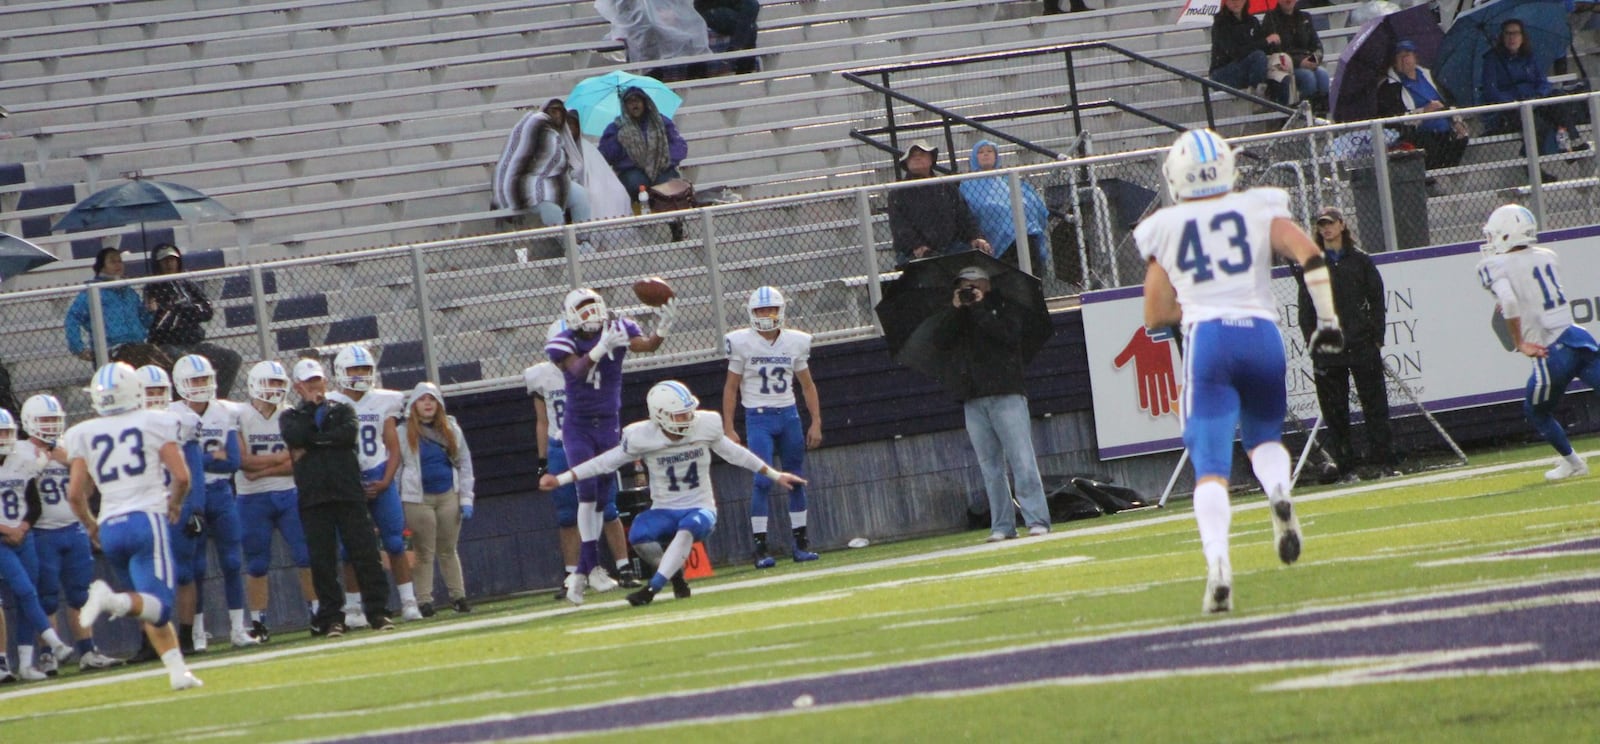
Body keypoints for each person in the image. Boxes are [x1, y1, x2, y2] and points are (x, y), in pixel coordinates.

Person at [1135, 128, 1344, 614]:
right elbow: (1308, 253)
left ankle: (1219, 564)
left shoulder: (1165, 226)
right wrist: (1328, 319)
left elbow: (1154, 312)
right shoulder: (1258, 206)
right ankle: (1278, 490)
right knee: (1265, 438)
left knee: (1210, 465)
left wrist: (1185, 304)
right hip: (1260, 333)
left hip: (1209, 338)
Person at [539, 380, 806, 607]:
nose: (688, 419)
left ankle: (652, 588)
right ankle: (676, 574)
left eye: (689, 412)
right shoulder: (641, 436)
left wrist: (775, 474)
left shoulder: (706, 424)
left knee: (689, 526)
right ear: (660, 415)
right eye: (679, 415)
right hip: (664, 508)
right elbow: (604, 462)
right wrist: (562, 478)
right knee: (639, 536)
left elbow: (737, 454)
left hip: (700, 507)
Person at [68, 362, 203, 690]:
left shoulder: (81, 432)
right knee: (160, 605)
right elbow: (182, 476)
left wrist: (90, 525)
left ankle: (177, 672)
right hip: (146, 520)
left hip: (110, 526)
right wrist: (174, 503)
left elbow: (74, 493)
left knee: (145, 605)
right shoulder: (155, 421)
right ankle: (109, 600)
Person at [545, 288, 670, 605]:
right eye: (583, 308)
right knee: (586, 492)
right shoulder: (563, 337)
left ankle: (583, 572)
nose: (590, 313)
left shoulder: (619, 327)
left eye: (593, 306)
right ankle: (590, 568)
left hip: (609, 422)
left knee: (603, 496)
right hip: (579, 425)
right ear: (571, 314)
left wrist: (662, 330)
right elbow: (576, 370)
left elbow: (646, 346)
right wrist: (600, 349)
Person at [1475, 204, 1600, 481]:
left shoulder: (1492, 265)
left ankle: (1574, 463)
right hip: (1578, 337)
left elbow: (1509, 300)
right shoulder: (1547, 256)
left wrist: (1519, 342)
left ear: (1506, 235)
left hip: (1550, 350)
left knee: (1536, 411)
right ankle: (1572, 464)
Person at [930, 265, 1053, 543]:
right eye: (963, 285)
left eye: (972, 284)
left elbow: (1007, 337)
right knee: (990, 466)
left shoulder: (1005, 307)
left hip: (1006, 392)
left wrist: (980, 308)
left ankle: (1037, 519)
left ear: (985, 284)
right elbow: (940, 342)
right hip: (973, 398)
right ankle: (1001, 524)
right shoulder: (958, 314)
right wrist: (956, 310)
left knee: (1022, 458)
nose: (968, 290)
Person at [524, 320, 640, 600]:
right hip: (560, 444)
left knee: (606, 505)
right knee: (567, 514)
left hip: (592, 437)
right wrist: (542, 458)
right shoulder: (541, 375)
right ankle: (573, 572)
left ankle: (622, 567)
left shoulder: (593, 365)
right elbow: (542, 420)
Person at [279, 358, 393, 637]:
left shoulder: (343, 410)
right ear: (298, 386)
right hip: (314, 496)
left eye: (317, 380)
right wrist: (312, 416)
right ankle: (332, 617)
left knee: (365, 552)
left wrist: (314, 442)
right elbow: (296, 435)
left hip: (347, 491)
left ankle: (378, 611)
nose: (314, 386)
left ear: (325, 381)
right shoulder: (291, 415)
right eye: (308, 383)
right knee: (323, 560)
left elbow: (346, 435)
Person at [721, 287, 823, 568]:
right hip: (759, 417)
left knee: (796, 478)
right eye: (760, 311)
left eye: (770, 310)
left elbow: (807, 385)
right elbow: (731, 389)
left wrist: (816, 421)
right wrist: (729, 426)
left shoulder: (795, 342)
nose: (766, 315)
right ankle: (760, 547)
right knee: (762, 479)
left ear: (781, 311)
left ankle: (801, 544)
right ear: (751, 313)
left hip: (788, 415)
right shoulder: (741, 342)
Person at [21, 394, 124, 672]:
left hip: (74, 530)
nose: (51, 426)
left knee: (80, 594)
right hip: (43, 533)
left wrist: (67, 460)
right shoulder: (21, 451)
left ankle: (88, 652)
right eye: (45, 420)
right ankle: (47, 653)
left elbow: (90, 480)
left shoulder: (69, 447)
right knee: (47, 596)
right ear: (30, 422)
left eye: (55, 420)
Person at [1292, 207, 1396, 479]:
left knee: (1375, 405)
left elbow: (1377, 299)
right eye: (1321, 225)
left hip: (1361, 344)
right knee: (1335, 412)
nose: (1326, 229)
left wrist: (1376, 337)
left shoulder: (1361, 260)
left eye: (1330, 223)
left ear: (1341, 225)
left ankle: (1383, 463)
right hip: (1329, 349)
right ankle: (1347, 468)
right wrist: (1312, 340)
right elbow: (1305, 309)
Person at [326, 344, 419, 624]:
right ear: (340, 372)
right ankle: (353, 609)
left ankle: (408, 601)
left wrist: (386, 480)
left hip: (379, 475)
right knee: (348, 548)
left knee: (394, 541)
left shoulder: (383, 400)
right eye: (354, 369)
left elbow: (393, 447)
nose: (360, 374)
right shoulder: (331, 403)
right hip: (348, 481)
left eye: (365, 369)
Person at [169, 354, 253, 652]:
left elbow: (232, 462)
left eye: (204, 379)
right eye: (194, 380)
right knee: (195, 568)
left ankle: (238, 628)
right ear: (180, 383)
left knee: (232, 561)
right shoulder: (172, 414)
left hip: (220, 494)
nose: (201, 385)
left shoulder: (224, 412)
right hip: (191, 497)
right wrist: (208, 458)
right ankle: (198, 632)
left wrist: (198, 461)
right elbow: (177, 462)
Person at [235, 360, 315, 642]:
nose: (275, 389)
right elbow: (243, 461)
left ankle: (316, 612)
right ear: (255, 384)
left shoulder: (290, 413)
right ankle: (258, 622)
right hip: (251, 498)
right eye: (270, 382)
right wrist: (279, 459)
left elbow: (300, 460)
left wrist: (265, 468)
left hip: (289, 492)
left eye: (279, 383)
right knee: (256, 563)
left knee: (306, 555)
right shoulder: (240, 414)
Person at [0, 408, 80, 681]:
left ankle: (24, 664)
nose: (3, 438)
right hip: (2, 539)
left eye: (7, 432)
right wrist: (6, 529)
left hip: (23, 536)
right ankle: (55, 643)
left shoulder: (22, 458)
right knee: (24, 590)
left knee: (28, 595)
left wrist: (22, 527)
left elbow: (33, 502)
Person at [396, 382, 475, 616]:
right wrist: (396, 502)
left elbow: (465, 464)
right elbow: (397, 469)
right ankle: (424, 600)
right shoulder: (403, 432)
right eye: (422, 399)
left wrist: (466, 498)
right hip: (417, 499)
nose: (428, 403)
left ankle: (458, 596)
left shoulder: (452, 429)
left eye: (432, 399)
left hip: (448, 494)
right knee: (423, 551)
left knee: (448, 549)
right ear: (414, 405)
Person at [142, 244, 242, 399]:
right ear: (157, 264)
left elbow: (207, 311)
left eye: (172, 260)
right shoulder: (152, 288)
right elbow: (161, 324)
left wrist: (181, 309)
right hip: (167, 345)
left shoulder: (186, 284)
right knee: (183, 362)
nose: (169, 264)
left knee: (231, 358)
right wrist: (186, 310)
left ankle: (215, 400)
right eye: (164, 261)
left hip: (194, 342)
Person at [1481, 19, 1585, 156]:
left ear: (1522, 36)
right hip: (1512, 109)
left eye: (1516, 33)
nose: (1512, 38)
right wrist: (1512, 101)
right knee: (1538, 125)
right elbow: (1491, 90)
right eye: (1508, 34)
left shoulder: (1528, 57)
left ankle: (1575, 140)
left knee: (1557, 103)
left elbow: (1542, 81)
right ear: (1502, 37)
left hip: (1534, 101)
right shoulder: (1492, 59)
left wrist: (1539, 95)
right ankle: (1530, 162)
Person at [888, 140, 992, 268]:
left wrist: (976, 237)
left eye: (922, 154)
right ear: (906, 163)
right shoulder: (898, 192)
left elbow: (964, 216)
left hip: (951, 247)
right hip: (913, 252)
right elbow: (900, 227)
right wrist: (917, 246)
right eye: (913, 156)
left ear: (931, 159)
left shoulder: (946, 186)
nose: (917, 157)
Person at [492, 99, 593, 230]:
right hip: (526, 185)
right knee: (552, 209)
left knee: (581, 195)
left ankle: (583, 241)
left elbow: (560, 164)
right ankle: (568, 246)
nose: (557, 115)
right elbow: (516, 161)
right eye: (553, 111)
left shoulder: (560, 135)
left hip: (554, 181)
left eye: (560, 112)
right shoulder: (532, 127)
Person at [958, 140, 1050, 272]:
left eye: (990, 151)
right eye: (981, 152)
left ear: (996, 156)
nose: (986, 155)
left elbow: (1033, 204)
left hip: (1025, 237)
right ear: (974, 157)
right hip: (993, 244)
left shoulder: (1009, 180)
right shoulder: (968, 185)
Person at [1378, 40, 1470, 172]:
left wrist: (1457, 121)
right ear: (1394, 61)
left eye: (1408, 54)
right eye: (1400, 56)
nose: (1405, 59)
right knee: (1428, 144)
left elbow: (1450, 102)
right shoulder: (1389, 88)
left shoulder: (1429, 76)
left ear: (1415, 57)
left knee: (1462, 137)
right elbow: (1395, 120)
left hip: (1446, 132)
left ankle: (1447, 173)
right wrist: (1424, 112)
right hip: (1418, 136)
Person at [64, 248, 153, 364]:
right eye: (112, 261)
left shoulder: (129, 292)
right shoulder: (93, 292)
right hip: (111, 351)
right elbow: (72, 318)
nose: (118, 265)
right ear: (102, 266)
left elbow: (145, 322)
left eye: (119, 261)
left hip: (138, 346)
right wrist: (78, 348)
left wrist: (150, 311)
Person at [598, 87, 689, 198]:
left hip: (661, 168)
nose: (634, 104)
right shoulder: (616, 128)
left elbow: (679, 146)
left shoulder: (661, 122)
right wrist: (619, 140)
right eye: (630, 102)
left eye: (637, 100)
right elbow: (605, 155)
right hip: (632, 171)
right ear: (625, 106)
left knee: (667, 183)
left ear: (645, 103)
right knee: (635, 182)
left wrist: (665, 161)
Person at [1209, 0, 1286, 105]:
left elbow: (1263, 46)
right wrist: (1265, 41)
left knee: (1282, 76)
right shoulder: (1220, 25)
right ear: (1225, 2)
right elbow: (1234, 52)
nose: (1235, 2)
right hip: (1223, 72)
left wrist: (1275, 46)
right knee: (1258, 56)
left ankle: (1283, 114)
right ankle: (1256, 98)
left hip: (1249, 68)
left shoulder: (1252, 21)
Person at [1261, 0, 1329, 113]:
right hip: (1287, 66)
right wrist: (1300, 63)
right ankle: (1305, 117)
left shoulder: (1305, 17)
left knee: (1323, 75)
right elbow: (1271, 51)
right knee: (1308, 78)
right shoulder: (1270, 19)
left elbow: (1317, 46)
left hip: (1307, 61)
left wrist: (1313, 60)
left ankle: (1321, 117)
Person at [566, 112, 634, 222]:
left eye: (573, 124)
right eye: (567, 125)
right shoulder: (557, 146)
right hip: (573, 186)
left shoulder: (587, 147)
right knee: (591, 196)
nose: (570, 128)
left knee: (619, 193)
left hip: (595, 182)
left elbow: (601, 171)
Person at [694, 0, 761, 73]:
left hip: (729, 7)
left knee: (752, 5)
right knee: (750, 26)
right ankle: (743, 64)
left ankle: (736, 47)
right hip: (709, 8)